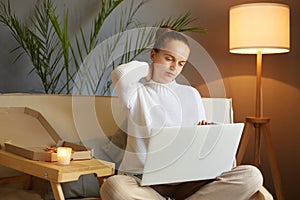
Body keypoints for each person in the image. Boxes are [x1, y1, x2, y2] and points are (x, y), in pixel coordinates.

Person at [100, 27, 263, 200]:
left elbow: (199, 142)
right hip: (145, 183)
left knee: (252, 176)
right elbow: (120, 74)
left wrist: (207, 133)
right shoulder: (136, 93)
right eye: (168, 58)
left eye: (181, 63)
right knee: (113, 187)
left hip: (189, 181)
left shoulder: (191, 94)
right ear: (153, 55)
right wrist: (150, 70)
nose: (173, 67)